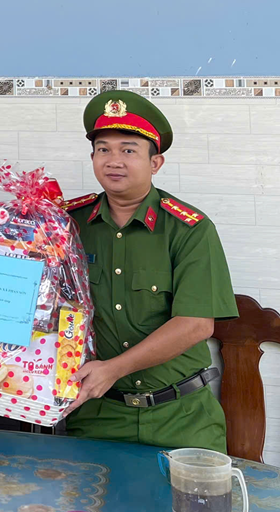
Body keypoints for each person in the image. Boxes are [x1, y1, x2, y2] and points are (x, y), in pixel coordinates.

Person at [61, 90, 238, 453]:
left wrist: (113, 368)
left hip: (181, 417)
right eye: (103, 149)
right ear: (92, 158)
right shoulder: (66, 225)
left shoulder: (189, 229)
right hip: (99, 416)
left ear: (155, 163)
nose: (114, 161)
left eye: (128, 150)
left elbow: (196, 324)